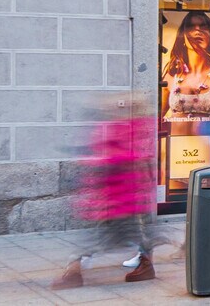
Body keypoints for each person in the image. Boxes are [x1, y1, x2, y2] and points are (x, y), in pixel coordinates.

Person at [52, 95, 158, 288]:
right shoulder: (125, 128)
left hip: (119, 200)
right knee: (133, 234)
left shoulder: (131, 129)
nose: (112, 111)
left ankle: (74, 273)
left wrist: (98, 162)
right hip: (118, 199)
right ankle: (145, 265)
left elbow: (123, 160)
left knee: (96, 239)